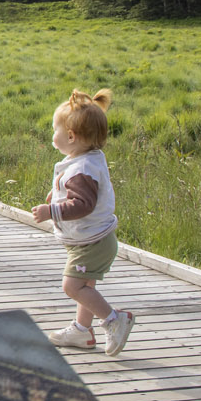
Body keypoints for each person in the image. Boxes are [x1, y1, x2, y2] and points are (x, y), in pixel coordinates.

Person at [30, 88, 135, 354]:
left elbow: (83, 204)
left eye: (55, 129)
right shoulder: (85, 159)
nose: (52, 134)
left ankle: (114, 320)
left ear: (71, 136)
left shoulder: (81, 170)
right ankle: (81, 331)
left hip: (92, 243)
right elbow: (82, 192)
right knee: (85, 284)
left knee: (73, 285)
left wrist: (50, 211)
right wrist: (58, 194)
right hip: (94, 239)